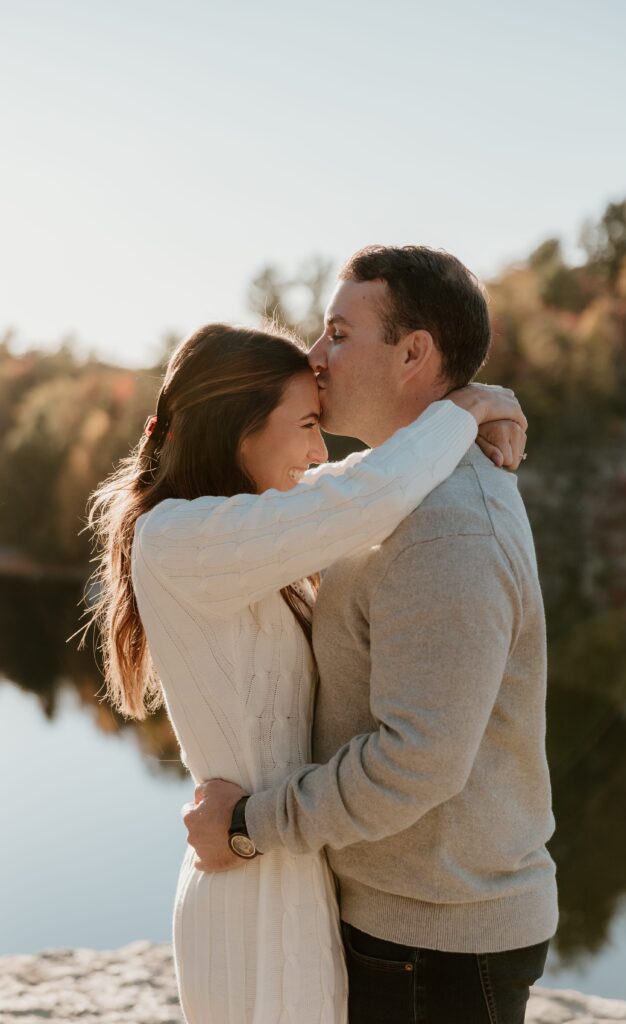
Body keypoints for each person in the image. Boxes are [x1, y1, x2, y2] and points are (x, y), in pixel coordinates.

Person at [86, 315, 527, 1024]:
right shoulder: (181, 540)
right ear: (239, 429)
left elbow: (353, 483)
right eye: (306, 424)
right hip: (248, 883)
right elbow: (368, 495)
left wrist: (475, 401)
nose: (321, 448)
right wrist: (464, 409)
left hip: (284, 859)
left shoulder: (249, 522)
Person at [184, 246, 558, 1024]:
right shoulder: (383, 496)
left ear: (413, 352)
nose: (315, 358)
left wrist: (250, 826)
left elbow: (414, 762)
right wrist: (476, 405)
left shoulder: (448, 529)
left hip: (440, 942)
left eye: (338, 334)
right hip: (403, 921)